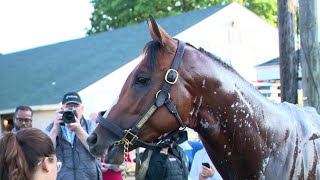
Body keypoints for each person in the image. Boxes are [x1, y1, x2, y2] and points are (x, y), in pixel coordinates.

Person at [45, 92, 101, 180]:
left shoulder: (90, 125)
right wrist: (55, 128)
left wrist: (78, 130)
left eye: (76, 106)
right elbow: (45, 152)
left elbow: (98, 151)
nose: (72, 109)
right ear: (62, 109)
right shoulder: (52, 127)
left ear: (82, 109)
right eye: (68, 106)